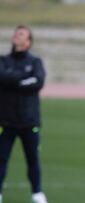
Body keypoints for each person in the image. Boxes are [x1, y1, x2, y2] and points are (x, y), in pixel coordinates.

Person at [0, 25, 47, 203]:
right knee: (1, 159)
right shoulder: (3, 60)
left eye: (21, 34)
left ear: (28, 42)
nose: (17, 36)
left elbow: (38, 82)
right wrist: (23, 78)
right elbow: (2, 76)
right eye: (16, 33)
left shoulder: (35, 62)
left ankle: (37, 193)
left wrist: (13, 80)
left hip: (29, 121)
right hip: (5, 120)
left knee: (33, 159)